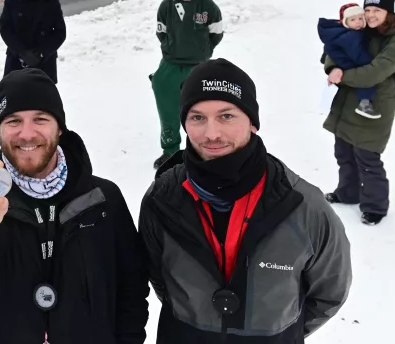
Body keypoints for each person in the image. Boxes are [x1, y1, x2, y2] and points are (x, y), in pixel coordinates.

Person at [0, 69, 149, 344]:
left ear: (59, 127)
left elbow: (132, 288)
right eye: (13, 121)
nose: (27, 134)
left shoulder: (102, 198)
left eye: (40, 119)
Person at [139, 58, 352, 343]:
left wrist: (280, 333)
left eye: (226, 116)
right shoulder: (162, 199)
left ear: (252, 123)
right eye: (197, 117)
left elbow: (328, 292)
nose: (211, 133)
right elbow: (160, 280)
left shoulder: (303, 205)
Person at [324, 0, 395, 225]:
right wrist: (332, 67)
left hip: (376, 104)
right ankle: (348, 192)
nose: (370, 15)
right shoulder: (363, 29)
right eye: (367, 9)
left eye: (376, 10)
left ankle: (375, 207)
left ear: (388, 11)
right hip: (349, 101)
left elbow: (377, 72)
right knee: (344, 152)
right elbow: (336, 46)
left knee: (367, 157)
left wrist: (343, 76)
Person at [151, 0, 224, 169]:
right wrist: (171, 47)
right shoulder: (166, 6)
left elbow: (216, 34)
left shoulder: (208, 6)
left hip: (198, 67)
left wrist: (203, 51)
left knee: (200, 113)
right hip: (170, 65)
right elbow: (161, 32)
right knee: (168, 111)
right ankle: (170, 151)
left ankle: (201, 151)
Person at [0, 0, 67, 84]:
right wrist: (21, 52)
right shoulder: (12, 1)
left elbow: (60, 33)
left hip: (44, 63)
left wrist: (42, 53)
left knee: (42, 101)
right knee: (15, 99)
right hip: (16, 61)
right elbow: (5, 29)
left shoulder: (52, 3)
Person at [317, 3, 380, 119]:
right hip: (348, 62)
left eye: (361, 18)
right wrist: (371, 63)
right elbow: (357, 55)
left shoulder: (350, 32)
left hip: (345, 60)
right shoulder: (351, 36)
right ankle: (364, 103)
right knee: (366, 77)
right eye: (353, 19)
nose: (358, 22)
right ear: (345, 22)